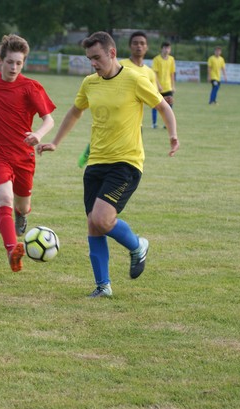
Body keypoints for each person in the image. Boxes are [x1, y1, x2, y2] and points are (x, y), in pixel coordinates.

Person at [36, 31, 180, 298]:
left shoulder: (134, 80)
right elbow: (75, 111)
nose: (93, 63)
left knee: (102, 219)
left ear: (112, 53)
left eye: (97, 57)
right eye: (89, 59)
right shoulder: (90, 83)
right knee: (93, 224)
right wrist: (55, 142)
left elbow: (162, 107)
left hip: (126, 163)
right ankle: (103, 286)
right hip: (96, 163)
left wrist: (172, 135)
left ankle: (137, 245)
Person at [0, 34, 56, 272]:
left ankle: (22, 214)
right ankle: (12, 250)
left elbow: (49, 120)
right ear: (1, 61)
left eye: (19, 63)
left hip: (23, 156)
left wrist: (38, 134)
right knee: (4, 198)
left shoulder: (30, 87)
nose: (14, 68)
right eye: (10, 62)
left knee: (22, 205)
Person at [78, 30, 157, 167]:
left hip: (132, 126)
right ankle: (90, 152)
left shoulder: (149, 72)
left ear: (147, 47)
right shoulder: (120, 65)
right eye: (135, 43)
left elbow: (154, 95)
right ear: (129, 46)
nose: (139, 46)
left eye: (142, 43)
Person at [152, 41, 176, 129]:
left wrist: (173, 86)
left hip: (168, 87)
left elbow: (172, 73)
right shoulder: (156, 59)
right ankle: (154, 123)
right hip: (157, 87)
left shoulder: (171, 59)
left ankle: (167, 124)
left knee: (169, 106)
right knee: (155, 105)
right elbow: (154, 73)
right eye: (165, 48)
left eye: (168, 48)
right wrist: (158, 85)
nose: (167, 50)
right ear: (161, 49)